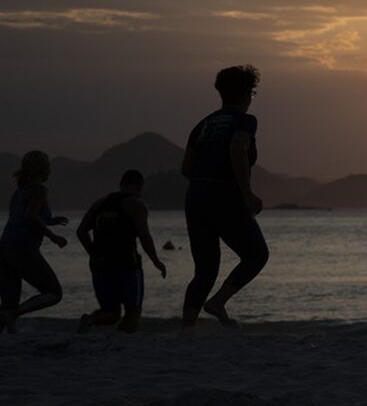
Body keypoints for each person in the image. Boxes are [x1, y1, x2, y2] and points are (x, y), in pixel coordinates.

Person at [181, 65, 269, 328]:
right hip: (224, 196)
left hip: (195, 196)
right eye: (252, 93)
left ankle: (187, 328)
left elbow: (186, 168)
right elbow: (238, 149)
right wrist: (246, 193)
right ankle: (218, 301)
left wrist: (205, 185)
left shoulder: (202, 125)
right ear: (245, 94)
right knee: (256, 255)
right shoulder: (245, 121)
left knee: (205, 269)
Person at [75, 170, 167, 333]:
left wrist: (93, 253)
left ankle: (91, 319)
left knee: (110, 313)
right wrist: (156, 261)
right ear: (140, 186)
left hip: (100, 264)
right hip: (126, 263)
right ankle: (123, 341)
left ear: (121, 185)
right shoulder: (137, 205)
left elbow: (81, 231)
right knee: (133, 311)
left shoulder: (100, 204)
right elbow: (144, 236)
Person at [0, 151, 70, 332]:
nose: (50, 170)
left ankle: (9, 332)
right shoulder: (39, 189)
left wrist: (48, 220)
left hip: (5, 246)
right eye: (48, 166)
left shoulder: (20, 190)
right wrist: (53, 237)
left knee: (8, 304)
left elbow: (23, 217)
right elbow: (30, 216)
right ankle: (14, 314)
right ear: (42, 169)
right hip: (23, 247)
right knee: (54, 293)